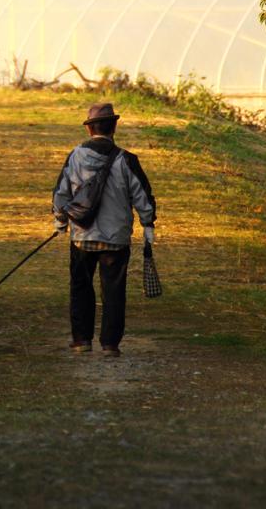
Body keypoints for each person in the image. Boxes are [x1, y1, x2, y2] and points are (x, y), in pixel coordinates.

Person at [52, 101, 157, 357]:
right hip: (116, 240)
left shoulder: (75, 156)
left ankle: (81, 340)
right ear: (114, 127)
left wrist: (60, 222)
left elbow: (61, 194)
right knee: (113, 292)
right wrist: (147, 223)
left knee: (80, 287)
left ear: (90, 130)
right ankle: (110, 344)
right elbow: (142, 197)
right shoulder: (126, 160)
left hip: (81, 236)